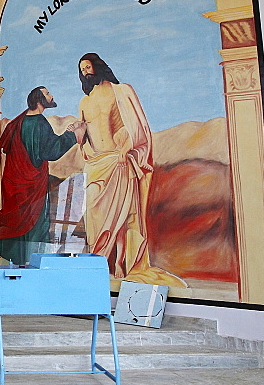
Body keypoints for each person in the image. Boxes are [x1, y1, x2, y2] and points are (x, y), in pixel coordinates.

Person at [77, 52, 185, 286]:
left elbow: (133, 125)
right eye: (82, 69)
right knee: (95, 216)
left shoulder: (120, 91)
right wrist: (78, 138)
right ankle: (99, 259)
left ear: (98, 66)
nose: (85, 71)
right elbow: (83, 134)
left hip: (117, 161)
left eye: (88, 66)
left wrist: (125, 150)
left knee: (122, 216)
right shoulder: (84, 102)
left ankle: (120, 262)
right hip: (95, 163)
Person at [0, 86, 85, 265]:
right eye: (48, 94)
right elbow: (51, 151)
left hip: (17, 184)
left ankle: (23, 263)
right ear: (39, 99)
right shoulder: (39, 123)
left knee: (20, 226)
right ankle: (35, 266)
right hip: (33, 187)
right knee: (36, 226)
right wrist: (71, 135)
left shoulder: (21, 122)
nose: (51, 96)